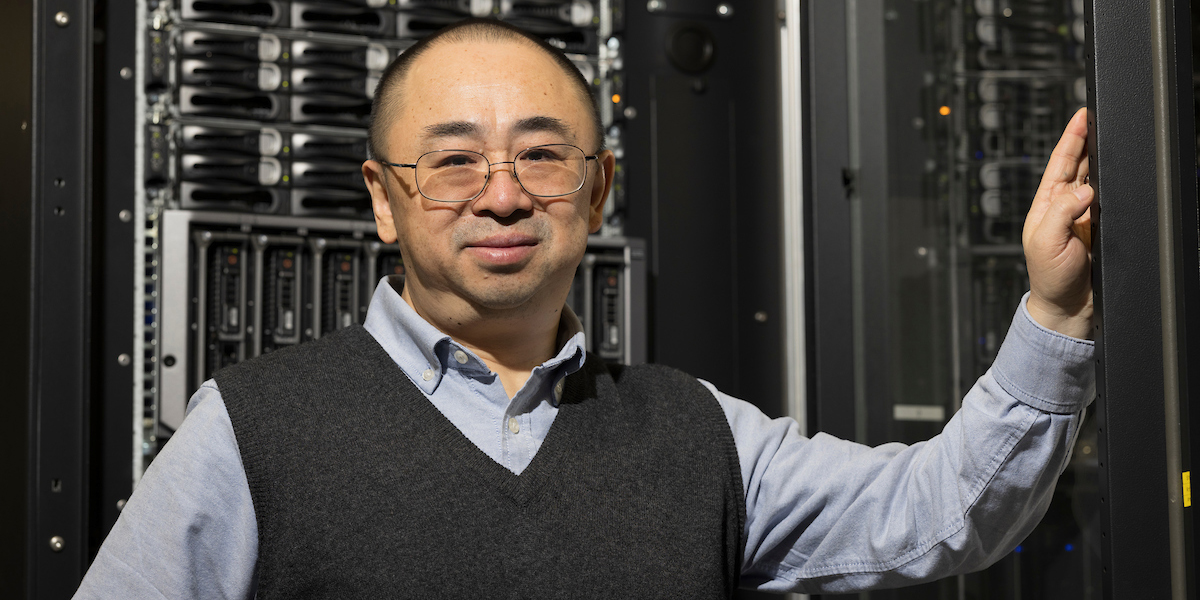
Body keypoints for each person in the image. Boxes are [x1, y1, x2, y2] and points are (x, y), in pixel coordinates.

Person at [74, 18, 1096, 598]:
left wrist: (1054, 310)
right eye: (453, 161)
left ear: (597, 192)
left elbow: (945, 511)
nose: (504, 193)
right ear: (384, 200)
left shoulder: (699, 435)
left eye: (542, 155)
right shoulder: (251, 432)